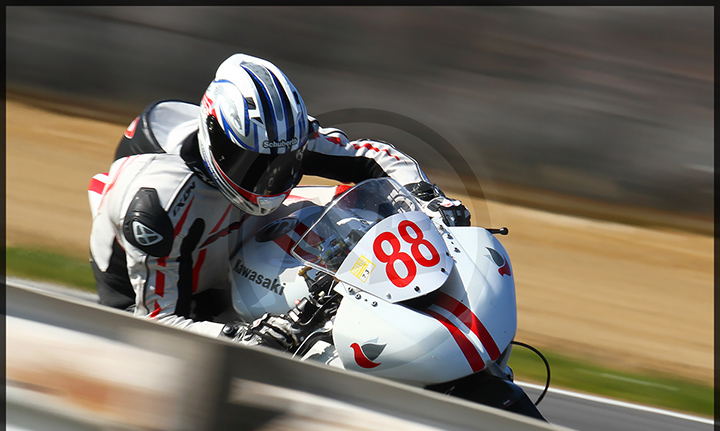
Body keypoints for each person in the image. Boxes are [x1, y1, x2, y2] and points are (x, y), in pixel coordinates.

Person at [88, 53, 470, 346]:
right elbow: (152, 320)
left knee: (340, 215)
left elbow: (370, 158)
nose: (269, 179)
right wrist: (241, 339)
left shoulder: (284, 138)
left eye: (282, 164)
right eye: (252, 164)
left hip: (229, 236)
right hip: (153, 299)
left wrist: (428, 199)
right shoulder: (156, 203)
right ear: (214, 137)